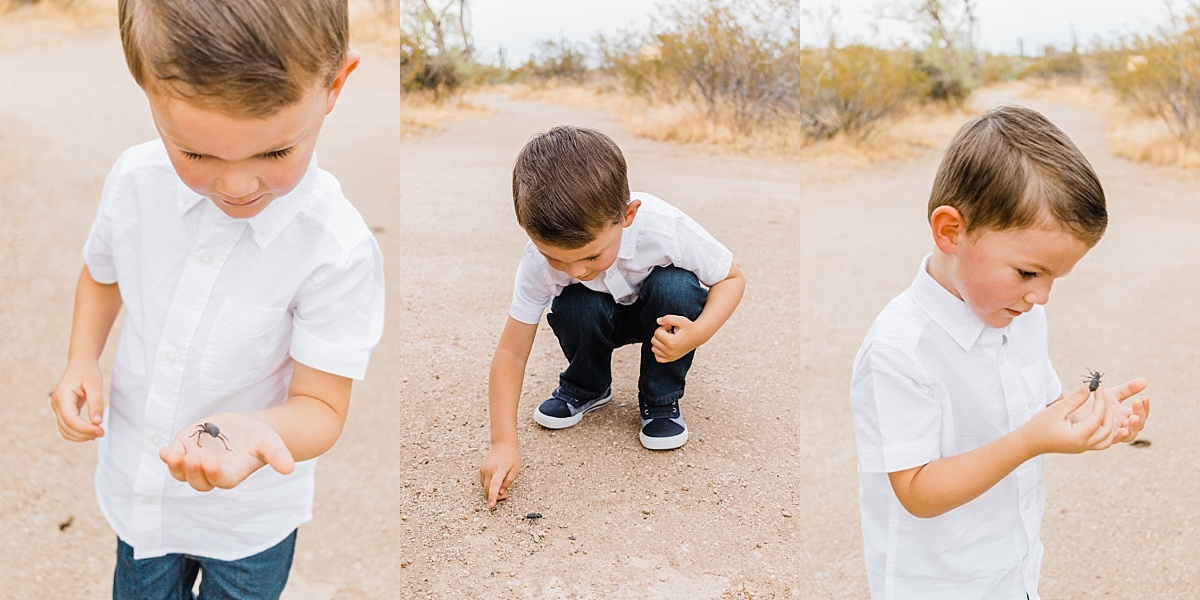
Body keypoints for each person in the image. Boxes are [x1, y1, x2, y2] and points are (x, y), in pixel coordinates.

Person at [48, 1, 384, 597]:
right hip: (141, 493)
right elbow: (103, 275)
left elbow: (323, 407)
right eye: (196, 153)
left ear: (334, 87)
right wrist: (81, 358)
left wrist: (257, 433)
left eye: (274, 152)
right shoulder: (134, 182)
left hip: (249, 520)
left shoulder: (335, 248)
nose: (236, 185)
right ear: (146, 92)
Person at [850, 105, 1150, 599]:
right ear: (951, 232)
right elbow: (916, 491)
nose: (1042, 297)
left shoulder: (1023, 315)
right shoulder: (900, 351)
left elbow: (1037, 413)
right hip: (938, 583)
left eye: (1055, 278)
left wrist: (1089, 416)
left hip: (1012, 567)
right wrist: (1031, 441)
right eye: (1029, 273)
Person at [478, 126, 746, 508]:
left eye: (590, 256)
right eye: (556, 258)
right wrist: (503, 443)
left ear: (628, 215)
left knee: (677, 288)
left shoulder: (665, 227)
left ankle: (660, 397)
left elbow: (732, 278)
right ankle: (587, 386)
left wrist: (697, 333)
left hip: (660, 317)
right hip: (598, 313)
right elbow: (511, 352)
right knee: (573, 301)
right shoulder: (538, 261)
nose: (576, 270)